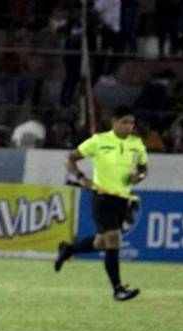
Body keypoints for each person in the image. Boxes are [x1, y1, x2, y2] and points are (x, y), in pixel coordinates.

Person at [53, 106, 146, 302]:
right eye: (124, 122)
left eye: (131, 123)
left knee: (101, 243)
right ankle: (118, 289)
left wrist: (137, 177)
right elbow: (71, 158)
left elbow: (143, 169)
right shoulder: (98, 141)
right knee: (113, 239)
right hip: (102, 196)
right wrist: (81, 177)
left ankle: (68, 249)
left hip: (123, 199)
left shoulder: (136, 144)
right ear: (114, 122)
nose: (128, 126)